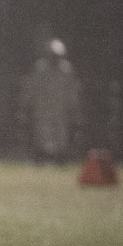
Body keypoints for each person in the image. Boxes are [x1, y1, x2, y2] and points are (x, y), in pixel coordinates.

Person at [22, 37, 80, 165]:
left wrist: (73, 107)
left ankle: (61, 160)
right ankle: (39, 159)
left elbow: (71, 90)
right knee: (41, 135)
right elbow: (32, 87)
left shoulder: (66, 70)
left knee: (61, 136)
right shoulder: (40, 69)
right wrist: (28, 103)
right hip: (43, 108)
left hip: (60, 109)